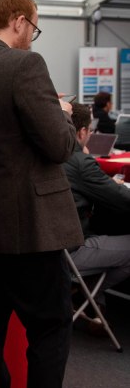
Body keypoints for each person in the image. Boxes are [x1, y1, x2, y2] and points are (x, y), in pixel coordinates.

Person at [0, 0, 101, 388]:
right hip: (30, 227)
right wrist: (63, 116)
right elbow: (57, 146)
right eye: (35, 27)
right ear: (21, 21)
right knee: (50, 331)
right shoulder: (26, 65)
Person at [63, 102, 130, 308]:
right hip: (71, 252)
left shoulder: (48, 156)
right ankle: (89, 293)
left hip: (47, 250)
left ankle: (90, 297)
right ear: (82, 131)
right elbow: (123, 200)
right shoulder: (80, 162)